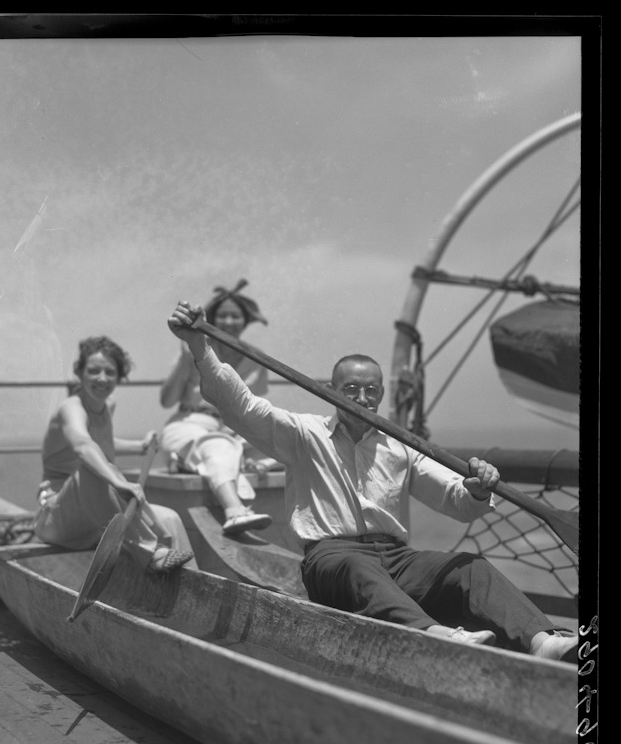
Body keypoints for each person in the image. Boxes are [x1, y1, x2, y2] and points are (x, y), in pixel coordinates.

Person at [166, 300, 578, 662]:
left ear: (380, 394)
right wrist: (199, 346)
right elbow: (241, 406)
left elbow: (455, 500)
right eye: (350, 390)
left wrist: (477, 489)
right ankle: (439, 637)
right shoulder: (303, 433)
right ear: (331, 390)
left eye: (370, 392)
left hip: (397, 559)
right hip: (331, 559)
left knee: (473, 568)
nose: (362, 400)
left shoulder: (401, 444)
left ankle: (542, 640)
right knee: (356, 565)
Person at [35, 335, 195, 573]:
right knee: (91, 470)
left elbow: (104, 443)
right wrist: (119, 482)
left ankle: (195, 584)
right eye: (93, 371)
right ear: (79, 373)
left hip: (97, 518)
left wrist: (141, 445)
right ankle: (149, 551)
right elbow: (83, 444)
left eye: (110, 372)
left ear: (120, 376)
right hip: (59, 519)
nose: (102, 378)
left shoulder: (106, 406)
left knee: (170, 518)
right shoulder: (72, 408)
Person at [160, 280, 279, 536]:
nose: (228, 321)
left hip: (233, 429)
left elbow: (252, 410)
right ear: (212, 318)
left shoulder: (256, 358)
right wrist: (185, 358)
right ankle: (235, 512)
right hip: (190, 424)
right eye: (222, 315)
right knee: (216, 445)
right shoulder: (194, 348)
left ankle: (188, 461)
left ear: (245, 321)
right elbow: (166, 401)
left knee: (282, 442)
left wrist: (241, 435)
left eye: (235, 316)